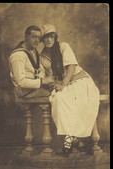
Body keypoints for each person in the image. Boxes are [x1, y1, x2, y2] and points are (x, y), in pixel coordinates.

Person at [40, 24, 100, 154]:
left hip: (78, 80)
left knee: (78, 99)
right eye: (45, 37)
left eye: (51, 36)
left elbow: (71, 66)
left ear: (55, 37)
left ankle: (68, 139)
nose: (49, 40)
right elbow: (44, 76)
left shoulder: (63, 46)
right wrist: (52, 84)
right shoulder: (42, 57)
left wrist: (64, 83)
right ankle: (73, 138)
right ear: (42, 40)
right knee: (58, 99)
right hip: (63, 83)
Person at [8, 25, 54, 98]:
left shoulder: (33, 51)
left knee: (62, 89)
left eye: (39, 38)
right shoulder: (18, 55)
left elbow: (39, 70)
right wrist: (42, 81)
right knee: (57, 94)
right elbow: (20, 82)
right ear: (26, 37)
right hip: (25, 92)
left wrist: (48, 81)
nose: (37, 40)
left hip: (35, 88)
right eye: (34, 37)